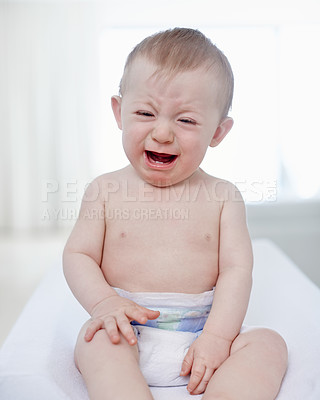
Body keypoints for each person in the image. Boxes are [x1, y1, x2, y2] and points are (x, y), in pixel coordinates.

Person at [63, 28, 288, 399]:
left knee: (269, 344)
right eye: (145, 112)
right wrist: (105, 304)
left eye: (185, 120)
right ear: (119, 113)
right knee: (97, 342)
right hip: (126, 328)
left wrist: (218, 337)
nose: (163, 133)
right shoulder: (104, 191)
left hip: (203, 334)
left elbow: (236, 271)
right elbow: (78, 254)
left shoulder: (222, 197)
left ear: (217, 132)